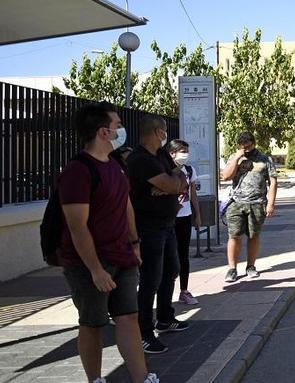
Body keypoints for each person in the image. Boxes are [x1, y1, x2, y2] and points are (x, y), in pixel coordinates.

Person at [57, 102, 158, 383]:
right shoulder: (78, 170)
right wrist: (95, 270)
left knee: (128, 318)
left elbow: (125, 205)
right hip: (90, 263)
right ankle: (95, 379)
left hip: (122, 256)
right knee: (93, 323)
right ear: (103, 132)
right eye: (117, 125)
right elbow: (77, 226)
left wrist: (134, 243)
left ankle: (142, 378)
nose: (121, 130)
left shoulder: (115, 165)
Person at [127, 116, 190, 354]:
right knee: (150, 279)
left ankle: (165, 317)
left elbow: (181, 181)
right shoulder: (141, 160)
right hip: (148, 227)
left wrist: (168, 187)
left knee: (171, 270)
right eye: (164, 131)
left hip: (167, 224)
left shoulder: (161, 155)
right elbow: (175, 185)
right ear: (155, 132)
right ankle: (144, 332)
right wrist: (172, 185)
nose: (166, 135)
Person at [220, 132, 278, 283]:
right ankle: (232, 269)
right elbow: (225, 176)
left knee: (253, 235)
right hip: (236, 203)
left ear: (253, 143)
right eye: (242, 146)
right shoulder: (235, 157)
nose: (246, 149)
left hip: (257, 203)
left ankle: (251, 266)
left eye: (248, 146)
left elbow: (272, 182)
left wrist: (271, 203)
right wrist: (237, 158)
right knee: (234, 236)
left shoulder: (265, 159)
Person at [168, 139, 202, 306]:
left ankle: (184, 290)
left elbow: (193, 194)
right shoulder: (165, 170)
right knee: (169, 256)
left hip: (185, 215)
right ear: (172, 153)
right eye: (182, 151)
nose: (185, 154)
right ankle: (166, 290)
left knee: (183, 254)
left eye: (186, 151)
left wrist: (197, 215)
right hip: (169, 217)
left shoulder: (189, 170)